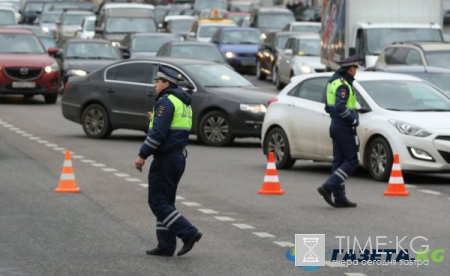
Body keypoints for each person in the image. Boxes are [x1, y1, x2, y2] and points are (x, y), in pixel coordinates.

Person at [135, 64, 202, 256]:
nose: (155, 85)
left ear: (166, 83)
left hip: (166, 158)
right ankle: (166, 245)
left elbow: (158, 134)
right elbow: (173, 129)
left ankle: (188, 233)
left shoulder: (165, 102)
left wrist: (142, 155)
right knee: (166, 202)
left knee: (157, 201)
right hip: (178, 156)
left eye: (157, 81)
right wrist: (154, 119)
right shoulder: (183, 102)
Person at [317, 55, 362, 208]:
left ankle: (339, 197)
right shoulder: (343, 85)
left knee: (339, 162)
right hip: (344, 127)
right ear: (351, 69)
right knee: (352, 160)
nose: (356, 71)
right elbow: (340, 107)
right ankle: (329, 186)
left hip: (335, 125)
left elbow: (328, 107)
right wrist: (353, 120)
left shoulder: (333, 82)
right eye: (355, 68)